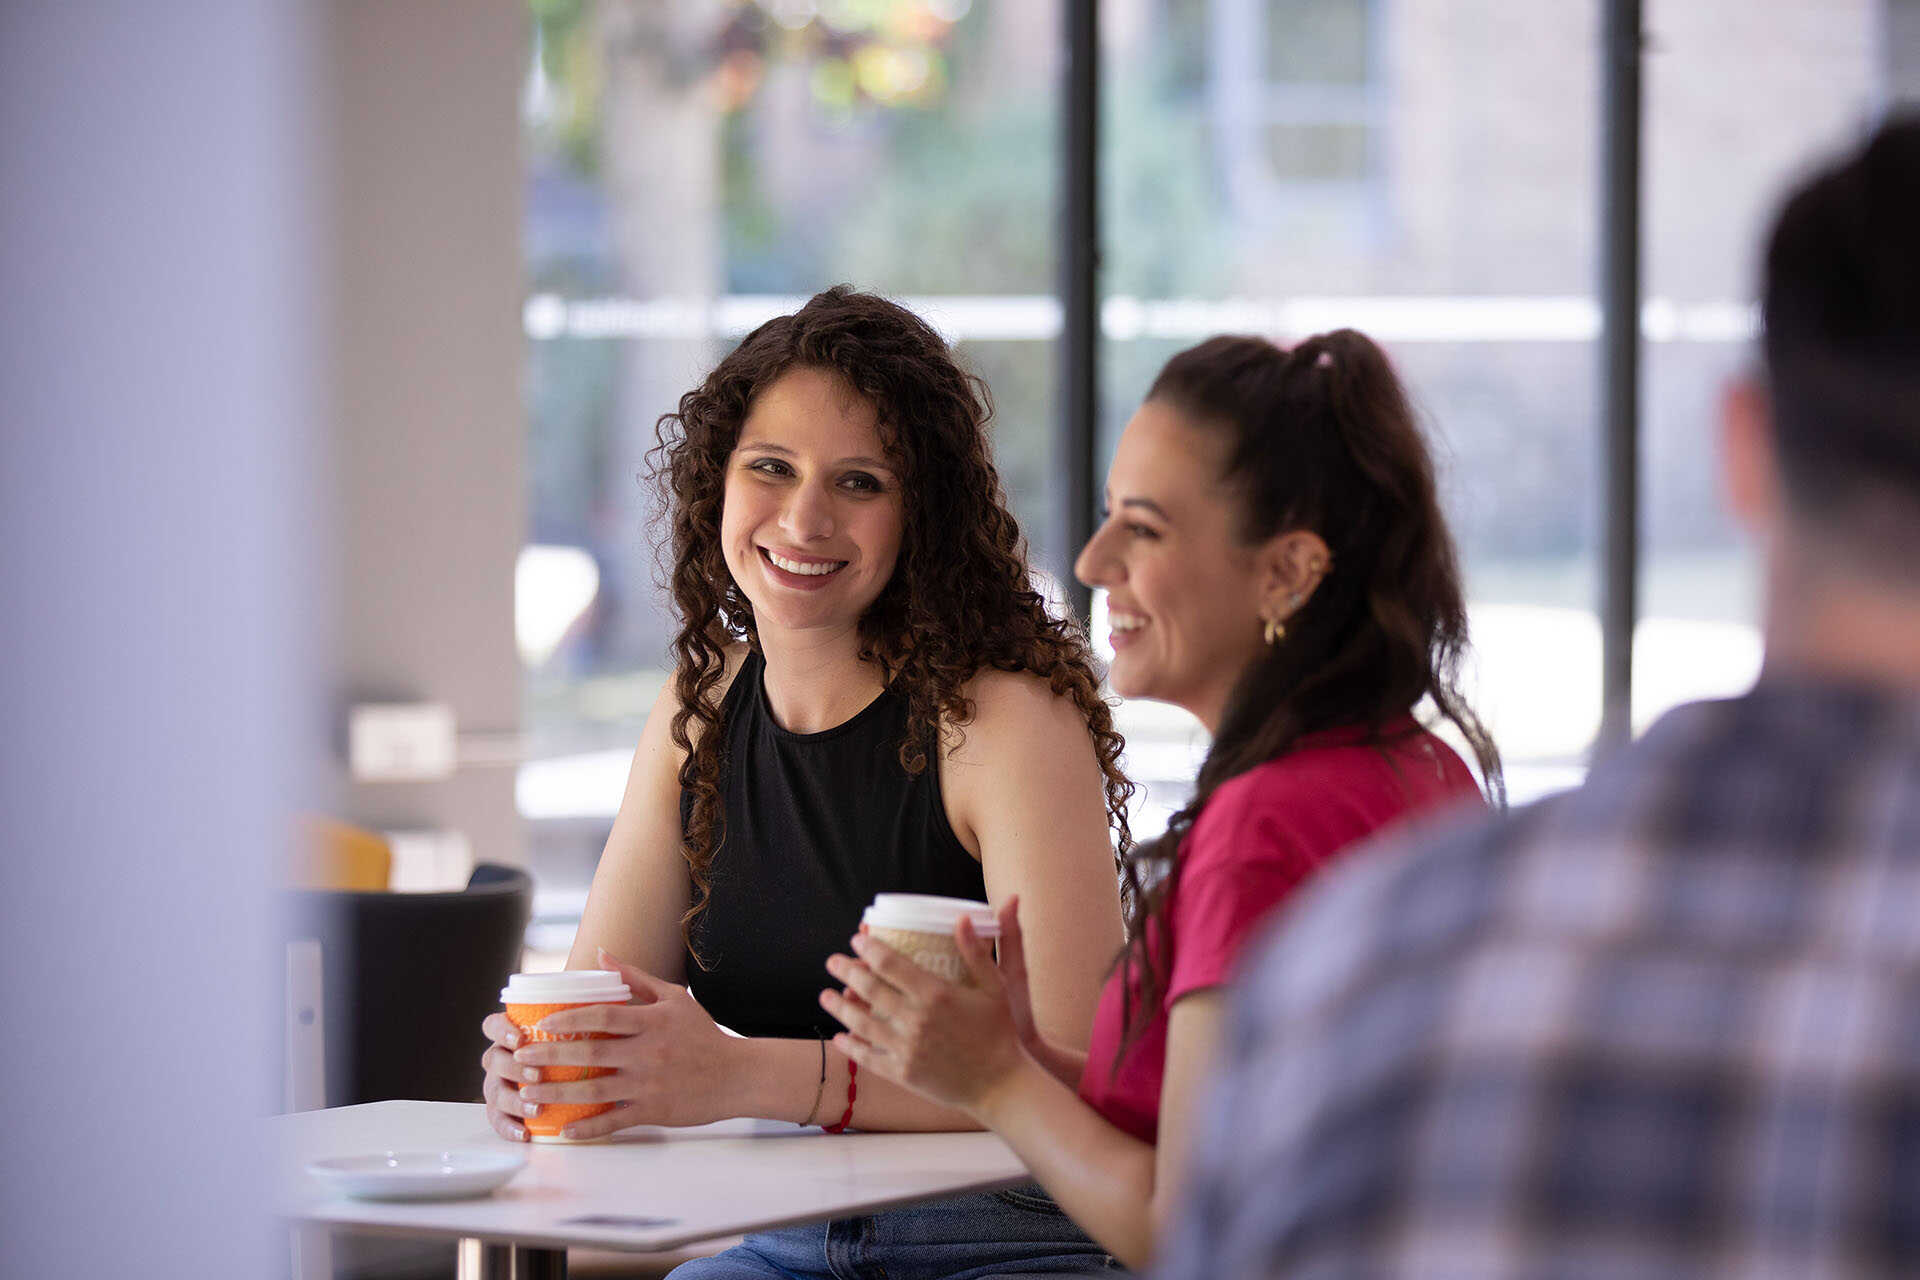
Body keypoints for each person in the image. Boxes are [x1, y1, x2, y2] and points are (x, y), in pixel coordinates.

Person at [1153, 116, 1920, 1280]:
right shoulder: (1411, 795)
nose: (1100, 565)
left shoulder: (1353, 975)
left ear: (1745, 448)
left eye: (1142, 525)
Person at [478, 287, 1133, 1275]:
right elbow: (598, 1011)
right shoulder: (700, 706)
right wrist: (546, 1068)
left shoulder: (1003, 722)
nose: (804, 517)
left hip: (1005, 1232)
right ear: (719, 479)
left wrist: (745, 1073)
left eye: (860, 481)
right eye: (771, 467)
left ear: (922, 516)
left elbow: (1085, 1073)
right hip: (788, 1232)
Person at [821, 328, 1502, 1270]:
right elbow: (1234, 1122)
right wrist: (1015, 1057)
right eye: (1109, 517)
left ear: (1286, 573)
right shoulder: (1424, 765)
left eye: (1142, 529)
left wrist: (996, 1084)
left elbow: (1185, 1225)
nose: (1094, 561)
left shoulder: (1261, 829)